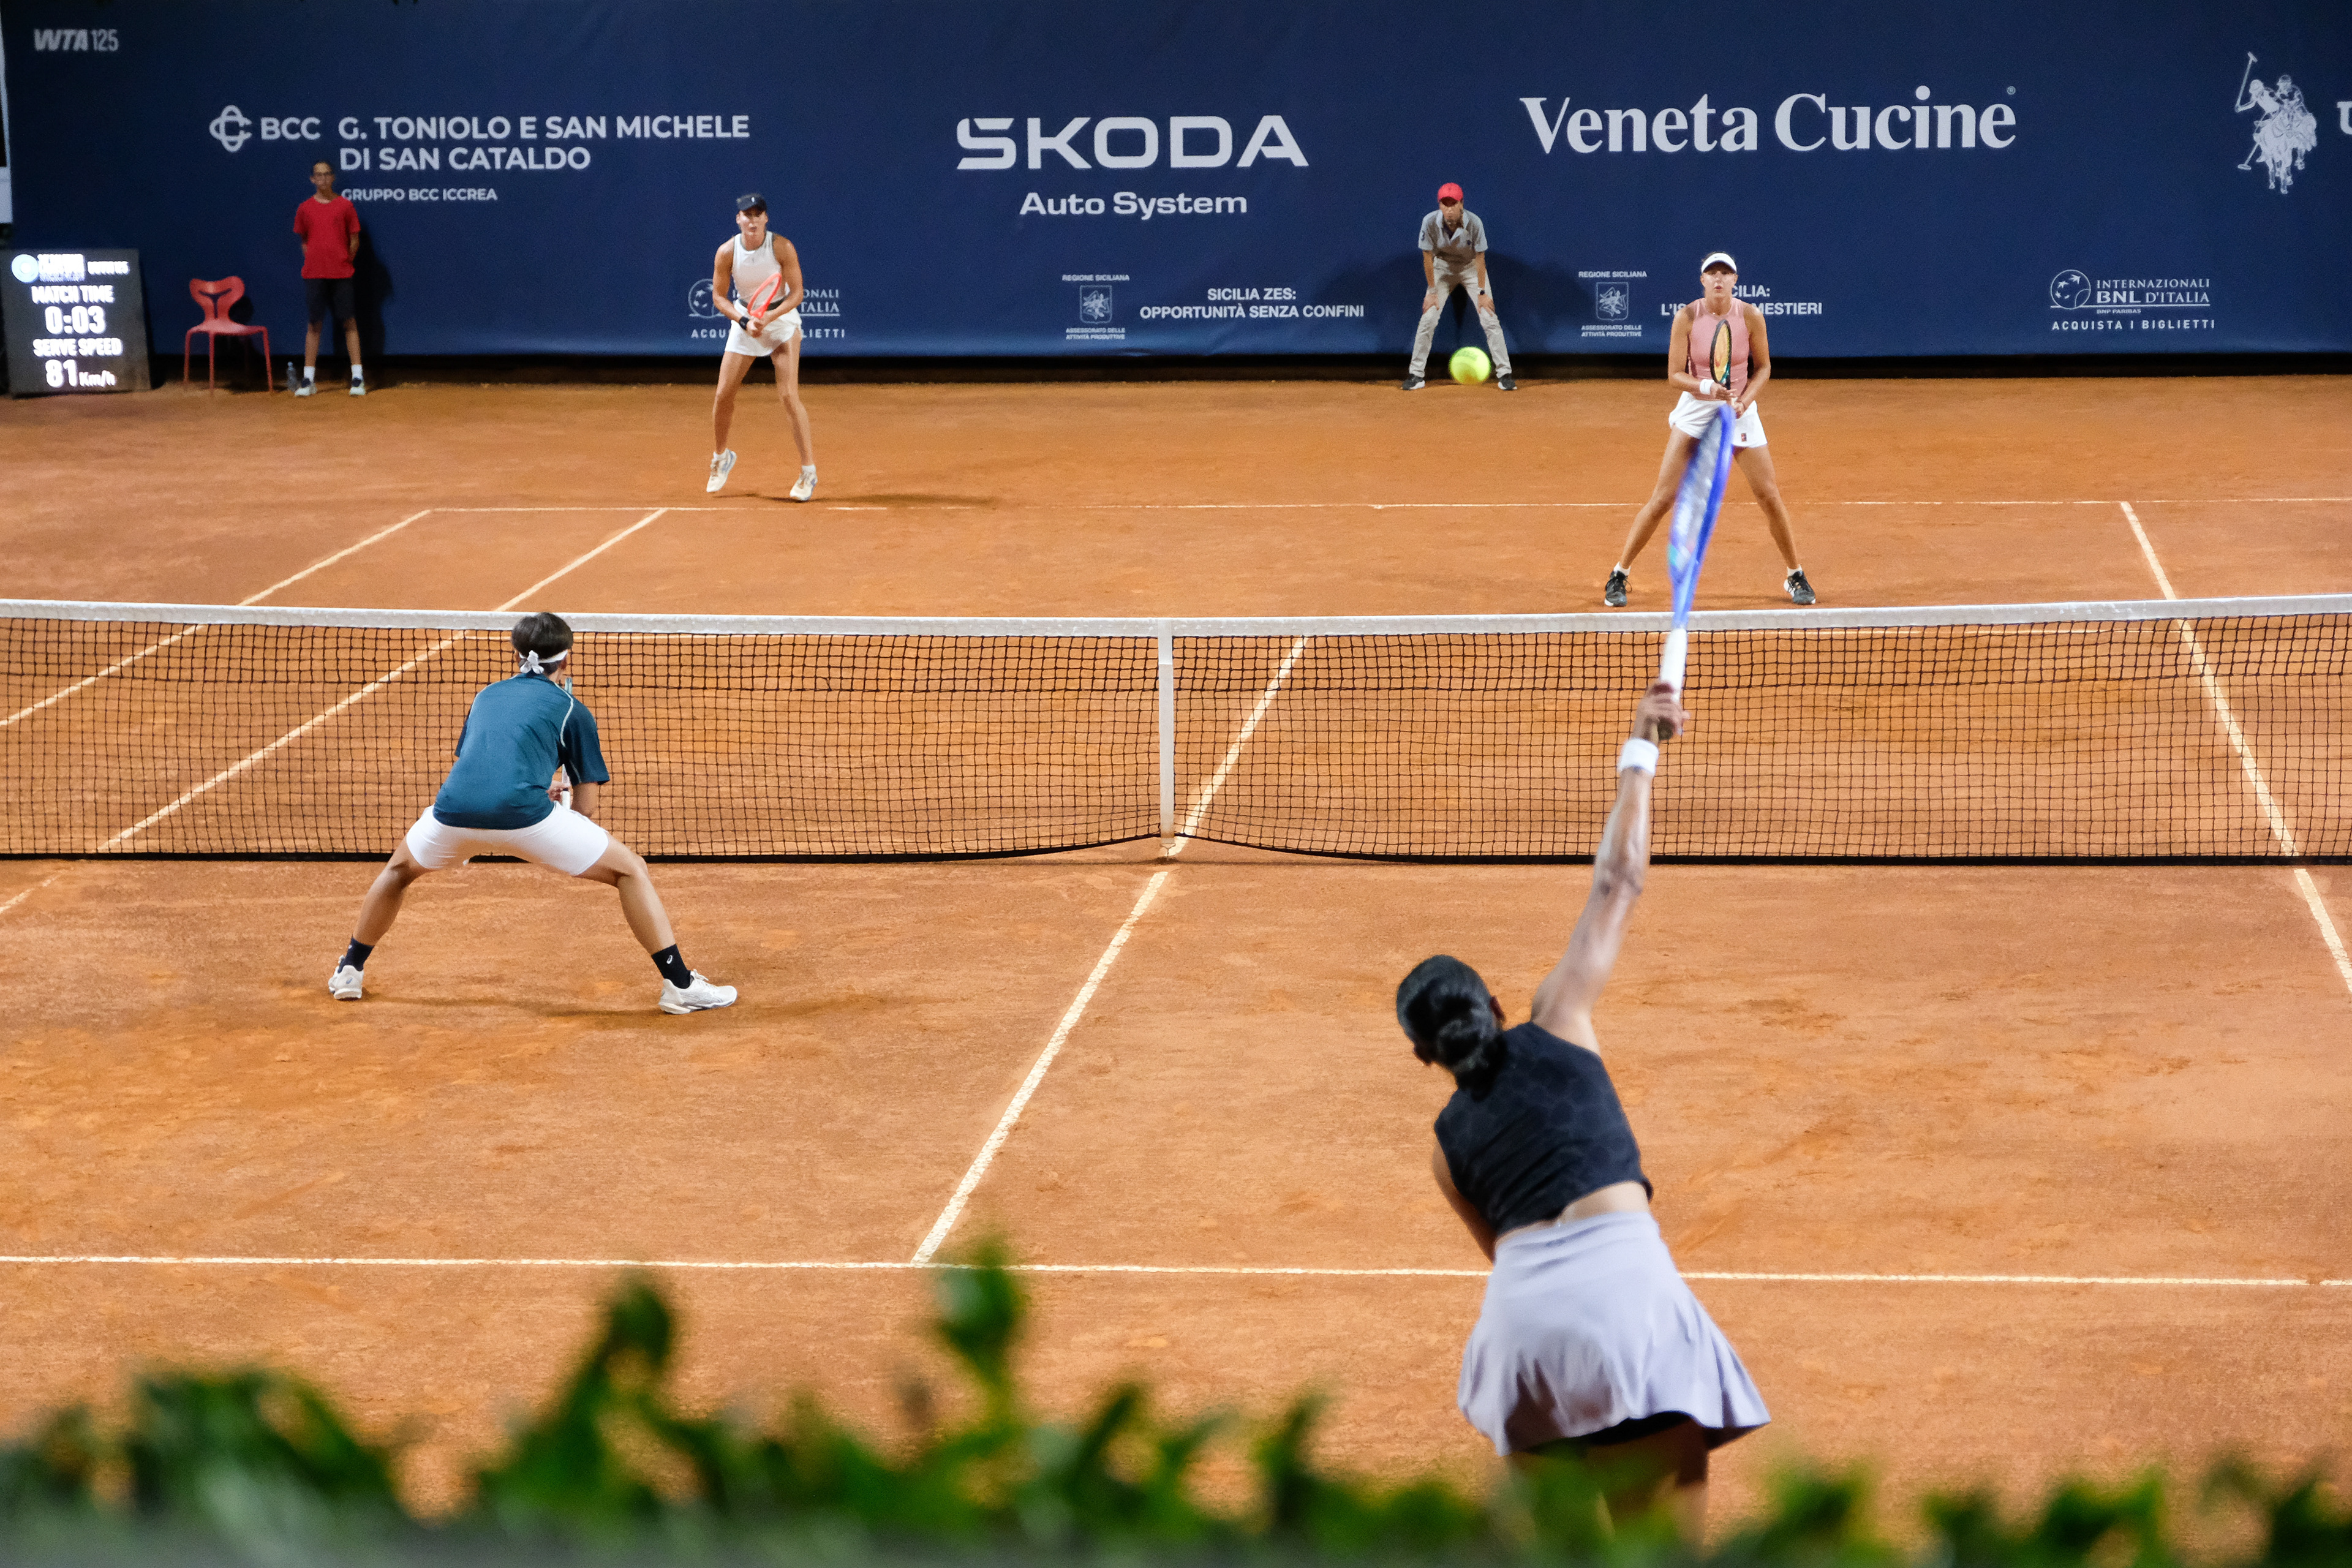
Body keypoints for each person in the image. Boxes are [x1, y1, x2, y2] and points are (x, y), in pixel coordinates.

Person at [1395, 679, 1766, 1541]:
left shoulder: (1445, 1149)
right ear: (1493, 1001)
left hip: (1522, 1336)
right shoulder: (1558, 1015)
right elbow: (1618, 883)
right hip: (1627, 1310)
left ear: (1425, 1057)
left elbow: (1508, 1254)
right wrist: (1642, 749)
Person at [329, 612, 738, 1016]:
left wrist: (538, 788)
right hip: (526, 819)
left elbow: (484, 765)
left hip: (452, 813)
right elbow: (587, 805)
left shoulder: (485, 696)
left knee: (398, 872)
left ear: (516, 655)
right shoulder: (571, 711)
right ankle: (680, 986)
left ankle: (350, 969)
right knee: (630, 870)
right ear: (567, 659)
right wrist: (567, 828)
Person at [1602, 253, 1814, 607]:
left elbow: (1763, 368)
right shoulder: (1686, 317)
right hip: (1697, 410)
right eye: (1712, 273)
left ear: (1735, 280)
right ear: (1703, 281)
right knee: (1663, 498)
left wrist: (1745, 401)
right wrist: (1707, 388)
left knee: (1768, 494)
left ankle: (1795, 575)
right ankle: (1619, 574)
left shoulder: (1750, 316)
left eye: (1726, 273)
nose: (1719, 279)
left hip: (1739, 410)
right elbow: (1674, 375)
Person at [706, 194, 816, 498]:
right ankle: (721, 457)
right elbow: (719, 297)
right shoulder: (726, 252)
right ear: (738, 219)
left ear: (766, 219)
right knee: (723, 394)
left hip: (780, 320)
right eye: (747, 215)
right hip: (745, 318)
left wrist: (769, 317)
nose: (752, 220)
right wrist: (744, 322)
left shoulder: (782, 247)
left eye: (758, 214)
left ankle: (808, 473)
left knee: (788, 396)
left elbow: (797, 294)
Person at [1403, 183, 1515, 392]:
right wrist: (1432, 292)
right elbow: (1427, 259)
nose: (1449, 209)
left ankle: (1505, 374)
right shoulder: (1429, 222)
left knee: (1489, 317)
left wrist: (1482, 293)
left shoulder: (1475, 223)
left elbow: (1481, 259)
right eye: (1445, 204)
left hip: (1471, 269)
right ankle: (1416, 375)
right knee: (1428, 318)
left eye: (1453, 204)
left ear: (1462, 204)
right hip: (1442, 269)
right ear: (1440, 206)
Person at [292, 159, 364, 397]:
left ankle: (357, 377)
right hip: (314, 274)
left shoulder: (345, 206)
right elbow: (304, 240)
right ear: (312, 179)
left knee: (349, 322)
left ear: (333, 178)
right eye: (318, 175)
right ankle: (308, 380)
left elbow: (354, 240)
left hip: (342, 273)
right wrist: (316, 261)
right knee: (314, 325)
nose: (323, 179)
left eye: (327, 175)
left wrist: (343, 260)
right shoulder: (304, 208)